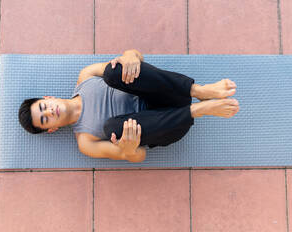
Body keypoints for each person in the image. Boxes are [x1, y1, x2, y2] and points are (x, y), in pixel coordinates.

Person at [18, 49, 240, 163]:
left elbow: (136, 58)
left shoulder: (85, 76)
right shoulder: (85, 142)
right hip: (169, 125)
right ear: (52, 129)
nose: (49, 111)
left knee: (113, 71)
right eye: (45, 118)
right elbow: (139, 156)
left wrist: (128, 56)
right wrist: (128, 149)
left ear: (48, 97)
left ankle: (200, 92)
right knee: (112, 129)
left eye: (43, 106)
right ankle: (199, 109)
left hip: (169, 91)